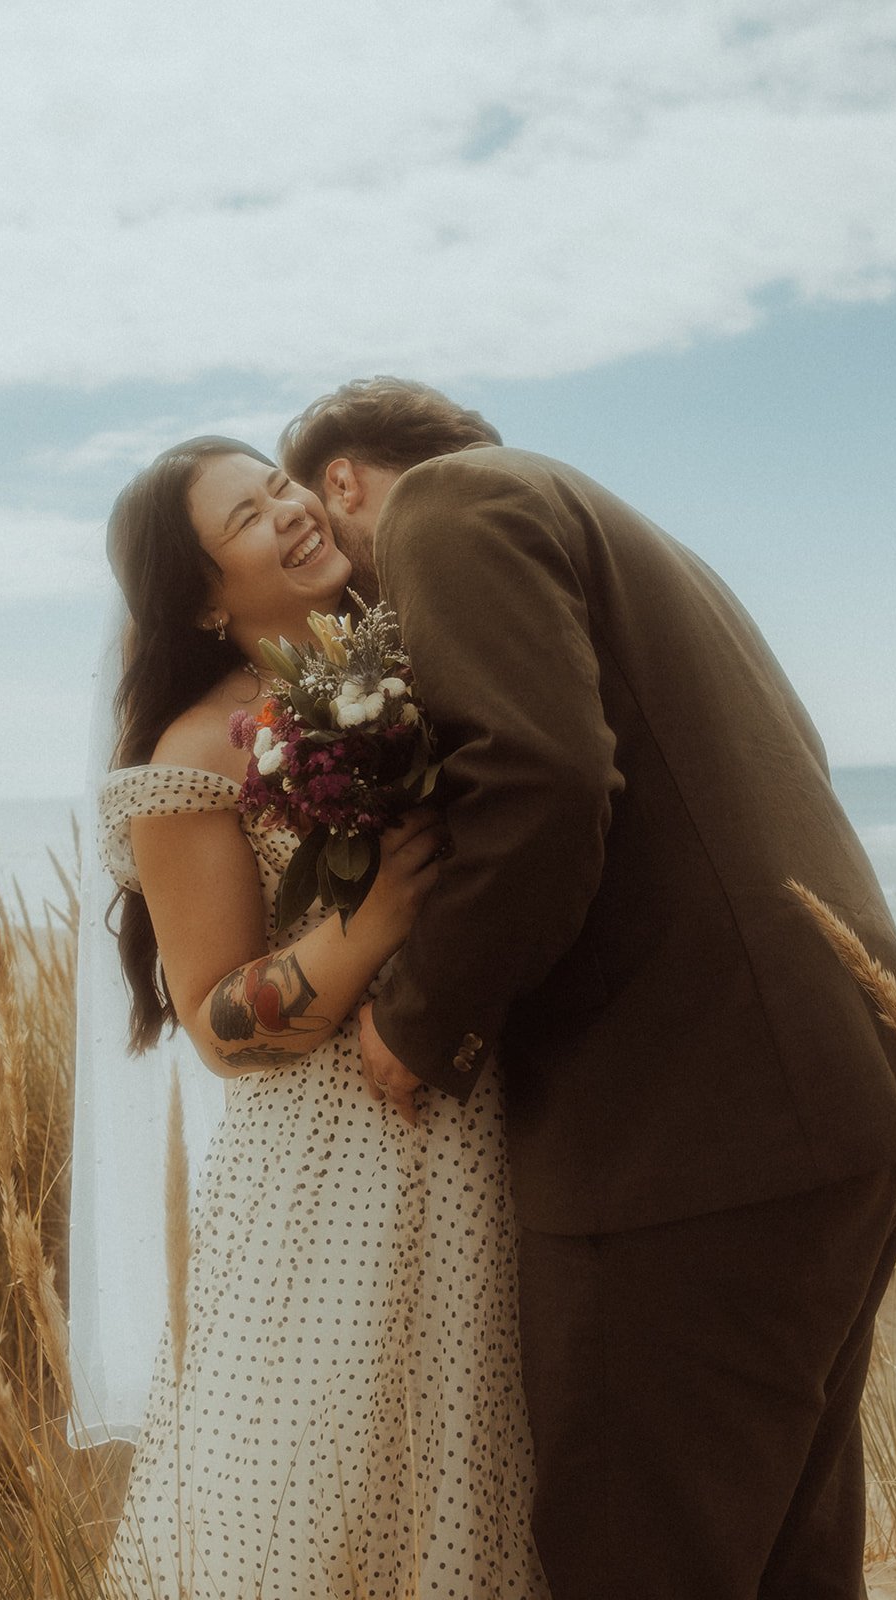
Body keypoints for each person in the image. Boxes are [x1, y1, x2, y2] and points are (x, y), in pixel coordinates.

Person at [278, 377, 896, 1600]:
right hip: (823, 1106)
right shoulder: (640, 543)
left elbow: (543, 780)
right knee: (783, 1564)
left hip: (685, 1136)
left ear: (339, 480)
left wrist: (419, 1018)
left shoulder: (448, 506)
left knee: (638, 1558)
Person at [91, 436, 549, 1599]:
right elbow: (212, 1021)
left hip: (501, 1124)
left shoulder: (412, 649)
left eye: (279, 486)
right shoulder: (197, 750)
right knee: (342, 1503)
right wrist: (375, 914)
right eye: (248, 516)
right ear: (199, 596)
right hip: (335, 1170)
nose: (291, 512)